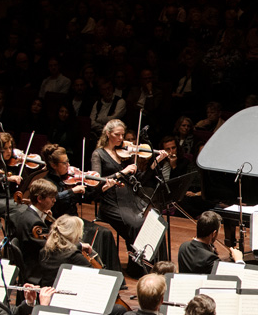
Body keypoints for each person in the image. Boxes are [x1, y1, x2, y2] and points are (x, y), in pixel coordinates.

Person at [91, 119, 168, 257]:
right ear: (108, 134)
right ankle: (138, 264)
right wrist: (122, 172)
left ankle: (157, 263)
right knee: (137, 225)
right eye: (117, 135)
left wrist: (155, 164)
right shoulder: (99, 154)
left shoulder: (124, 153)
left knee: (154, 221)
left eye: (123, 135)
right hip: (111, 201)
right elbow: (97, 182)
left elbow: (140, 179)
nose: (121, 138)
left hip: (130, 199)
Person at [42, 143, 122, 272]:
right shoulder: (48, 182)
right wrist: (72, 191)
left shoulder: (70, 179)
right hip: (61, 224)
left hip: (75, 221)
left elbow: (87, 197)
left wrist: (103, 189)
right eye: (65, 163)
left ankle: (108, 273)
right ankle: (93, 270)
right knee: (98, 233)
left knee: (106, 232)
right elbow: (54, 200)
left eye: (68, 162)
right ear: (53, 165)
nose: (69, 166)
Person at [35, 215, 95, 286]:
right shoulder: (74, 257)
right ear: (75, 234)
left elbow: (62, 251)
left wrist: (80, 246)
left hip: (46, 293)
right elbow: (95, 278)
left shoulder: (44, 252)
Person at [178, 210, 242, 274]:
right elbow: (233, 275)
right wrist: (239, 260)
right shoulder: (210, 258)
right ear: (214, 233)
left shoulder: (183, 247)